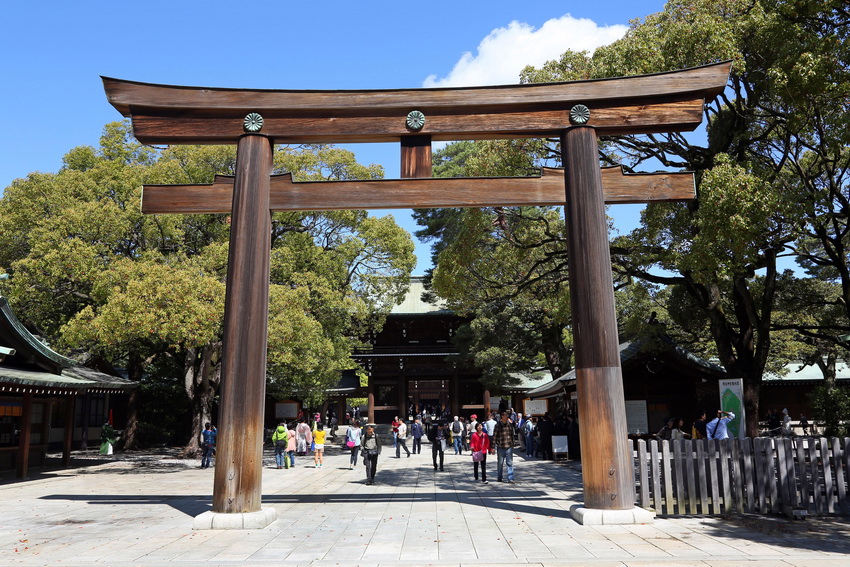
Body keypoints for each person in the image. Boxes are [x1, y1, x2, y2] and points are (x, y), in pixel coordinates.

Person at [493, 410, 517, 482]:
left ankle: (510, 478)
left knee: (509, 463)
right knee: (500, 463)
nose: (507, 417)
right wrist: (493, 447)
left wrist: (513, 444)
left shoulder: (510, 425)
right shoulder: (497, 425)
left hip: (509, 446)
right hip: (501, 447)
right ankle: (499, 477)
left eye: (507, 416)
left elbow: (512, 435)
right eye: (505, 416)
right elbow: (494, 436)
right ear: (502, 416)